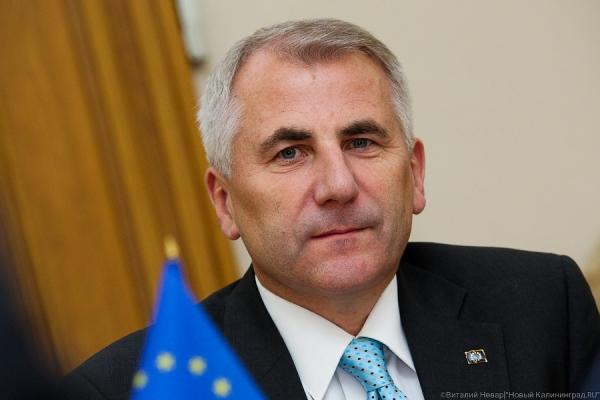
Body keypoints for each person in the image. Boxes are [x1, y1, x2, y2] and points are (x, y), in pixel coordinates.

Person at [60, 19, 599, 400]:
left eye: (362, 142)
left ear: (414, 174)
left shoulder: (543, 305)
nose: (338, 186)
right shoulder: (140, 387)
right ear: (225, 202)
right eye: (290, 153)